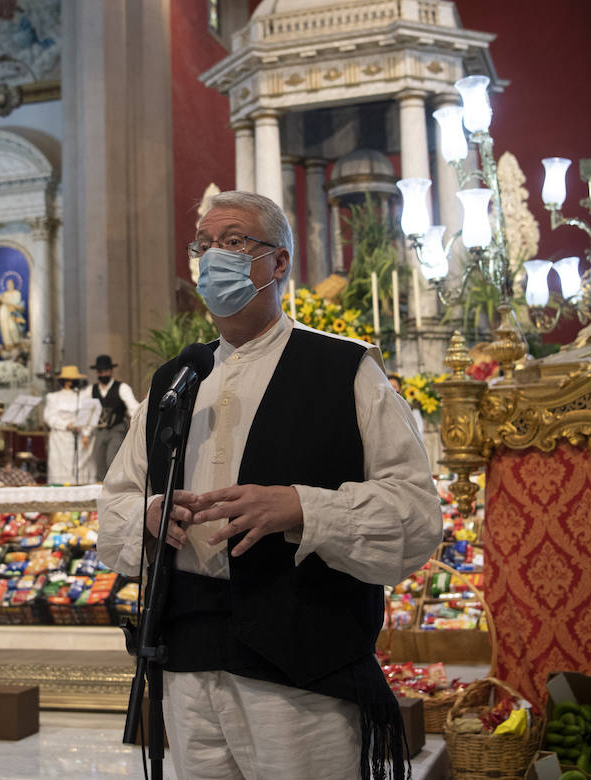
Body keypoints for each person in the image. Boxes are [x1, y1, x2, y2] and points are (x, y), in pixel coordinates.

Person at [97, 191, 440, 780]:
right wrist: (151, 515)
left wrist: (303, 508)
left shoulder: (343, 369)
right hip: (187, 656)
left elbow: (416, 513)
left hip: (299, 659)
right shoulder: (176, 380)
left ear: (278, 264)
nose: (212, 258)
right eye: (203, 246)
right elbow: (114, 507)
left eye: (232, 242)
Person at [44, 365, 101, 485]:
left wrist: (86, 432)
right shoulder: (54, 397)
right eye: (70, 380)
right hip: (60, 439)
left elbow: (89, 416)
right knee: (61, 469)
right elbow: (49, 417)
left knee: (81, 470)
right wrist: (66, 425)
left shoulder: (83, 396)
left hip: (79, 437)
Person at [90, 354, 139, 481]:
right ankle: (100, 492)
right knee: (99, 461)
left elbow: (133, 408)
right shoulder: (93, 389)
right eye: (100, 372)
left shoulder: (122, 387)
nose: (103, 374)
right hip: (100, 430)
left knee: (112, 459)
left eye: (105, 371)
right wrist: (86, 432)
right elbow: (90, 412)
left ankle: (115, 490)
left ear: (111, 371)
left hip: (117, 429)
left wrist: (137, 426)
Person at [0, 272, 28, 362]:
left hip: (12, 314)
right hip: (3, 314)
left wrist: (3, 300)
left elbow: (15, 304)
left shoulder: (16, 293)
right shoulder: (4, 294)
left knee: (12, 328)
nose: (9, 285)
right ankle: (8, 347)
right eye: (7, 284)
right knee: (5, 330)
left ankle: (17, 347)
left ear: (14, 284)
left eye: (11, 284)